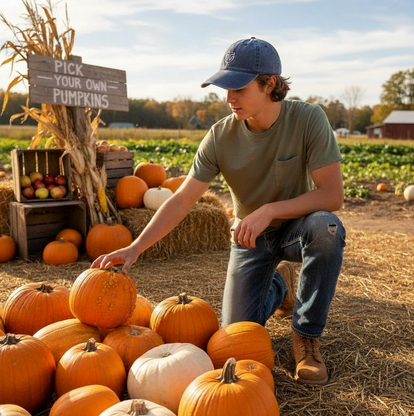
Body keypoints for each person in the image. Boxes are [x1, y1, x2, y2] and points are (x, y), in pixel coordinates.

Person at [91, 37, 346, 386]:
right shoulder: (219, 136)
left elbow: (332, 195)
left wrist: (269, 210)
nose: (229, 98)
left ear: (269, 83)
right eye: (224, 88)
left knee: (327, 228)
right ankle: (279, 285)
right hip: (249, 236)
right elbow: (181, 201)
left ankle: (306, 335)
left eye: (238, 88)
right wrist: (135, 247)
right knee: (236, 339)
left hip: (298, 228)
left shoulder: (308, 119)